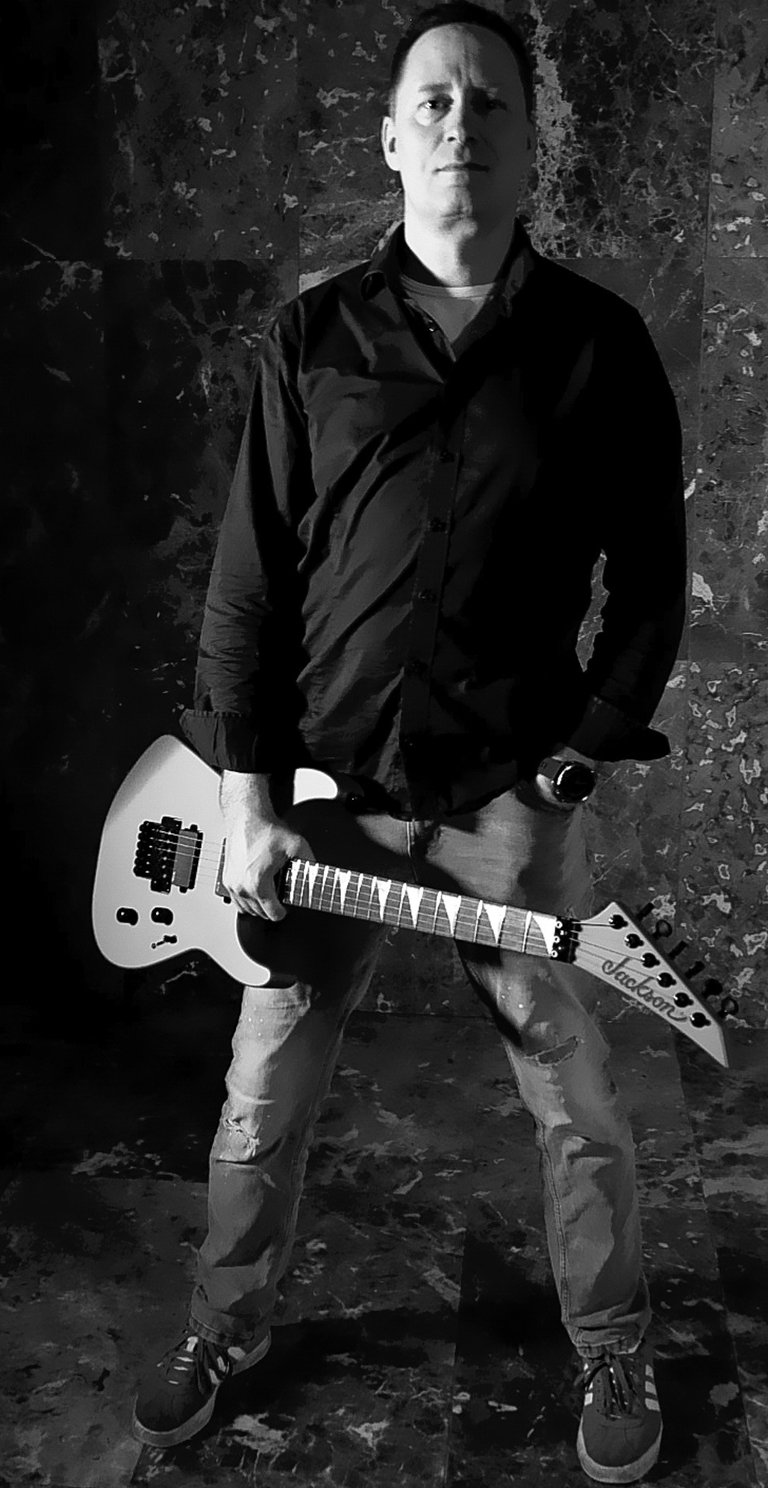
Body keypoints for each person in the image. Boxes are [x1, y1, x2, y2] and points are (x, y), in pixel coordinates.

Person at [132, 4, 685, 1480]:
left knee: (574, 1098)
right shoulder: (309, 339)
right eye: (434, 103)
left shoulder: (599, 347)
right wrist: (251, 800)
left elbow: (650, 590)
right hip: (323, 797)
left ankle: (613, 1341)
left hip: (510, 795)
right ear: (390, 140)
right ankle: (225, 1325)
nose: (459, 126)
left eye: (490, 104)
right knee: (263, 1091)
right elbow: (246, 592)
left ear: (531, 146)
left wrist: (569, 769)